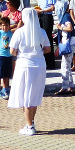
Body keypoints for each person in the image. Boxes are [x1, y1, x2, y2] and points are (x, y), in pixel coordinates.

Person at [7, 7, 51, 135]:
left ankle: (29, 125)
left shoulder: (19, 32)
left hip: (24, 65)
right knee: (34, 95)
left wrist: (22, 53)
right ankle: (31, 122)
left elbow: (12, 50)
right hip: (39, 65)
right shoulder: (41, 32)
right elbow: (48, 49)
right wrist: (37, 52)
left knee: (25, 95)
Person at [53, 18, 75, 95]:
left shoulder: (65, 17)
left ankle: (65, 87)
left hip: (69, 44)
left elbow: (70, 28)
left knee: (65, 67)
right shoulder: (62, 17)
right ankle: (71, 86)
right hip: (65, 44)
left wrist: (61, 27)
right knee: (67, 66)